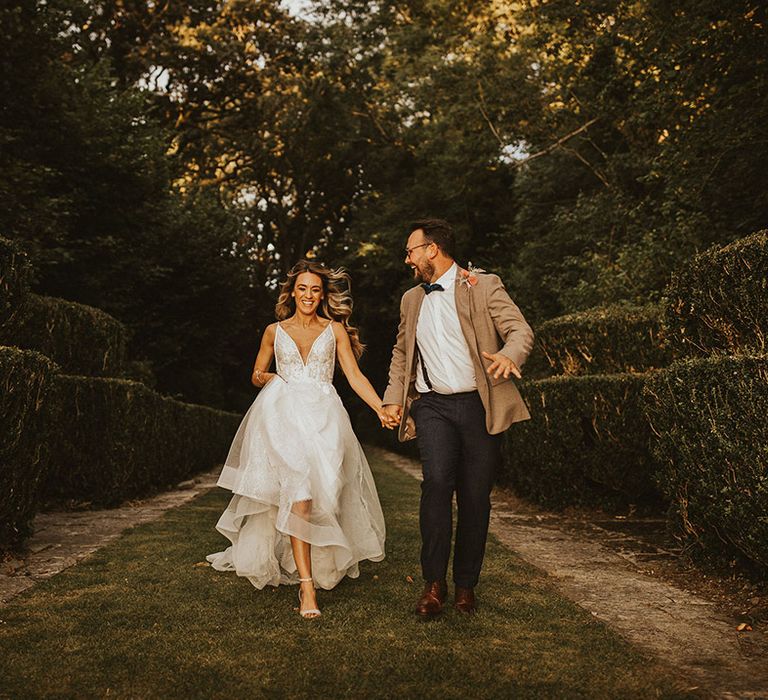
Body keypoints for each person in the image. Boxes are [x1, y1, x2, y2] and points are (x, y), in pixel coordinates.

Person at [207, 260, 394, 619]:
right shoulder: (273, 331)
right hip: (282, 415)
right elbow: (257, 373)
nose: (308, 295)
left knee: (325, 492)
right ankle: (307, 588)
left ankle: (308, 562)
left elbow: (354, 377)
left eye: (315, 290)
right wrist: (271, 379)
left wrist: (380, 408)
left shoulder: (335, 329)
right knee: (301, 495)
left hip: (326, 418)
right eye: (303, 288)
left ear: (322, 295)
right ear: (292, 292)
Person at [382, 218, 534, 618]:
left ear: (432, 249)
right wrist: (394, 398)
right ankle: (434, 584)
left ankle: (466, 584)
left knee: (474, 498)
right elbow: (402, 353)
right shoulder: (410, 299)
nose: (408, 259)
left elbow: (519, 330)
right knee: (435, 484)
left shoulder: (483, 285)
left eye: (411, 250)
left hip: (478, 404)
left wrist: (509, 355)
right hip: (432, 405)